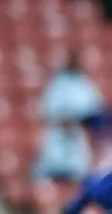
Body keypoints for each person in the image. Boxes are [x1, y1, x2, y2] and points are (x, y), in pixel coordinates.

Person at [34, 53, 103, 183]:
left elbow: (94, 109)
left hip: (76, 134)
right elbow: (47, 109)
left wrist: (78, 121)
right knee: (48, 174)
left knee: (80, 175)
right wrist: (63, 120)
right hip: (57, 133)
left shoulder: (84, 83)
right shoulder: (57, 83)